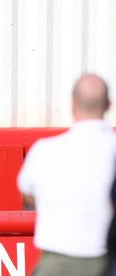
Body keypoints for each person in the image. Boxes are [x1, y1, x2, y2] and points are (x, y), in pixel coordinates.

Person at [18, 74, 116, 276]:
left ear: (72, 105)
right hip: (107, 260)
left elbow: (27, 194)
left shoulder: (44, 150)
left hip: (57, 262)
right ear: (108, 105)